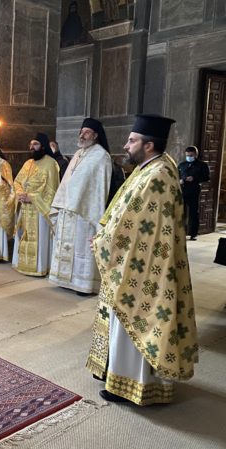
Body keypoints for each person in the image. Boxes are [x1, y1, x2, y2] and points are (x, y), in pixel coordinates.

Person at [87, 114, 198, 405]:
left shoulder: (158, 174)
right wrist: (104, 236)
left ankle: (132, 385)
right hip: (134, 258)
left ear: (148, 145)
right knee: (122, 319)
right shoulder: (150, 168)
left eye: (132, 140)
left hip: (145, 265)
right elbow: (125, 212)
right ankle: (115, 372)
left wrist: (105, 241)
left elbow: (137, 226)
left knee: (136, 319)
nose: (126, 145)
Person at [48, 117, 113, 295]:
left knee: (82, 247)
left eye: (86, 132)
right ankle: (64, 279)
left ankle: (84, 284)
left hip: (86, 211)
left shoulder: (101, 155)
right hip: (68, 209)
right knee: (67, 246)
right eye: (81, 131)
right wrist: (62, 202)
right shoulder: (78, 154)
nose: (82, 135)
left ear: (96, 135)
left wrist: (82, 203)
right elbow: (67, 181)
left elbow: (99, 187)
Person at [12, 134, 60, 275]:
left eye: (36, 144)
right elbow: (17, 181)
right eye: (31, 144)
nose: (32, 147)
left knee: (40, 238)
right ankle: (23, 264)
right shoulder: (28, 163)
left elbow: (52, 189)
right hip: (25, 207)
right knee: (24, 235)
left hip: (40, 209)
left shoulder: (51, 163)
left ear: (43, 146)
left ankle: (40, 267)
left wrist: (32, 197)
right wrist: (20, 193)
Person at [178, 146, 210, 240]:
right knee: (180, 212)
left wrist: (194, 178)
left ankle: (193, 233)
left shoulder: (202, 165)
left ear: (195, 155)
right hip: (182, 190)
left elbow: (206, 177)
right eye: (187, 155)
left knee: (193, 213)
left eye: (191, 155)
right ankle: (180, 232)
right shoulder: (182, 165)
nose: (189, 157)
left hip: (194, 190)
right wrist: (180, 180)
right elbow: (176, 176)